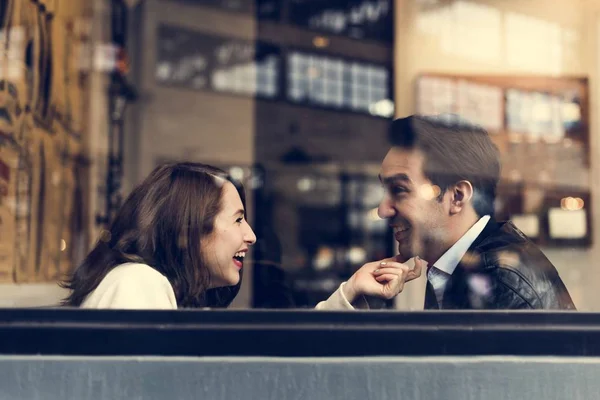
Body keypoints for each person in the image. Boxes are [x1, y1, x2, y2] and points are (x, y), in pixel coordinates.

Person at [62, 162, 414, 309]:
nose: (252, 236)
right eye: (238, 219)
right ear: (190, 227)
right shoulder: (136, 285)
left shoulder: (165, 292)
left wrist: (350, 291)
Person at [319, 115, 575, 310]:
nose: (383, 210)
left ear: (457, 197)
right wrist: (353, 292)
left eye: (399, 189)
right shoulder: (459, 265)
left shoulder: (499, 279)